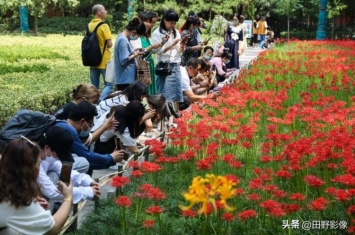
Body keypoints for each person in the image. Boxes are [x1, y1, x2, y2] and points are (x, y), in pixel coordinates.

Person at [0, 137, 73, 235]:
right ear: (28, 169)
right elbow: (53, 228)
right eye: (39, 164)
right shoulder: (17, 202)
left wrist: (32, 200)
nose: (40, 168)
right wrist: (68, 198)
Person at [37, 126, 100, 210]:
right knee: (52, 178)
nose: (59, 158)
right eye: (59, 154)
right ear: (47, 147)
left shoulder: (49, 157)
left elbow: (65, 172)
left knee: (55, 175)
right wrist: (87, 192)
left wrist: (88, 181)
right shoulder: (34, 162)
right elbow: (51, 191)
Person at [54, 101, 125, 172]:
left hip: (54, 164)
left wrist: (111, 160)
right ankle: (63, 181)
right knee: (83, 163)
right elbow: (87, 156)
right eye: (90, 124)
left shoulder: (64, 124)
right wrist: (110, 157)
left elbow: (89, 161)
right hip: (52, 168)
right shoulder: (69, 130)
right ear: (82, 121)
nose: (90, 127)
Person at [151, 10, 185, 106]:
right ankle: (163, 116)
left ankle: (174, 116)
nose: (172, 25)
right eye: (171, 22)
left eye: (174, 23)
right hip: (164, 66)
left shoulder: (176, 32)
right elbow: (156, 51)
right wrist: (171, 44)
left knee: (176, 93)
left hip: (175, 65)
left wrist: (182, 46)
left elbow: (179, 50)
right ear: (164, 20)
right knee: (163, 94)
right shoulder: (157, 33)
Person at [130, 12, 168, 95]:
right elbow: (138, 53)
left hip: (149, 65)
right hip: (142, 67)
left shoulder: (146, 37)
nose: (150, 25)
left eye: (151, 23)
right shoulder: (137, 37)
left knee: (150, 90)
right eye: (147, 22)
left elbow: (153, 51)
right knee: (143, 90)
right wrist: (151, 46)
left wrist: (162, 43)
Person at [88, 4, 113, 101]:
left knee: (94, 87)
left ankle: (93, 105)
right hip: (104, 59)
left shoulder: (89, 25)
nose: (106, 11)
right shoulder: (104, 25)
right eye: (104, 9)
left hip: (92, 60)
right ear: (99, 12)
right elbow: (109, 44)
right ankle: (100, 102)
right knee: (109, 84)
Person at [114, 17, 146, 91]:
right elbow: (123, 59)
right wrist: (136, 54)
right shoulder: (123, 40)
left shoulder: (123, 38)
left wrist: (135, 51)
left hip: (126, 78)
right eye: (138, 36)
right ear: (134, 32)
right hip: (125, 79)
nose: (137, 37)